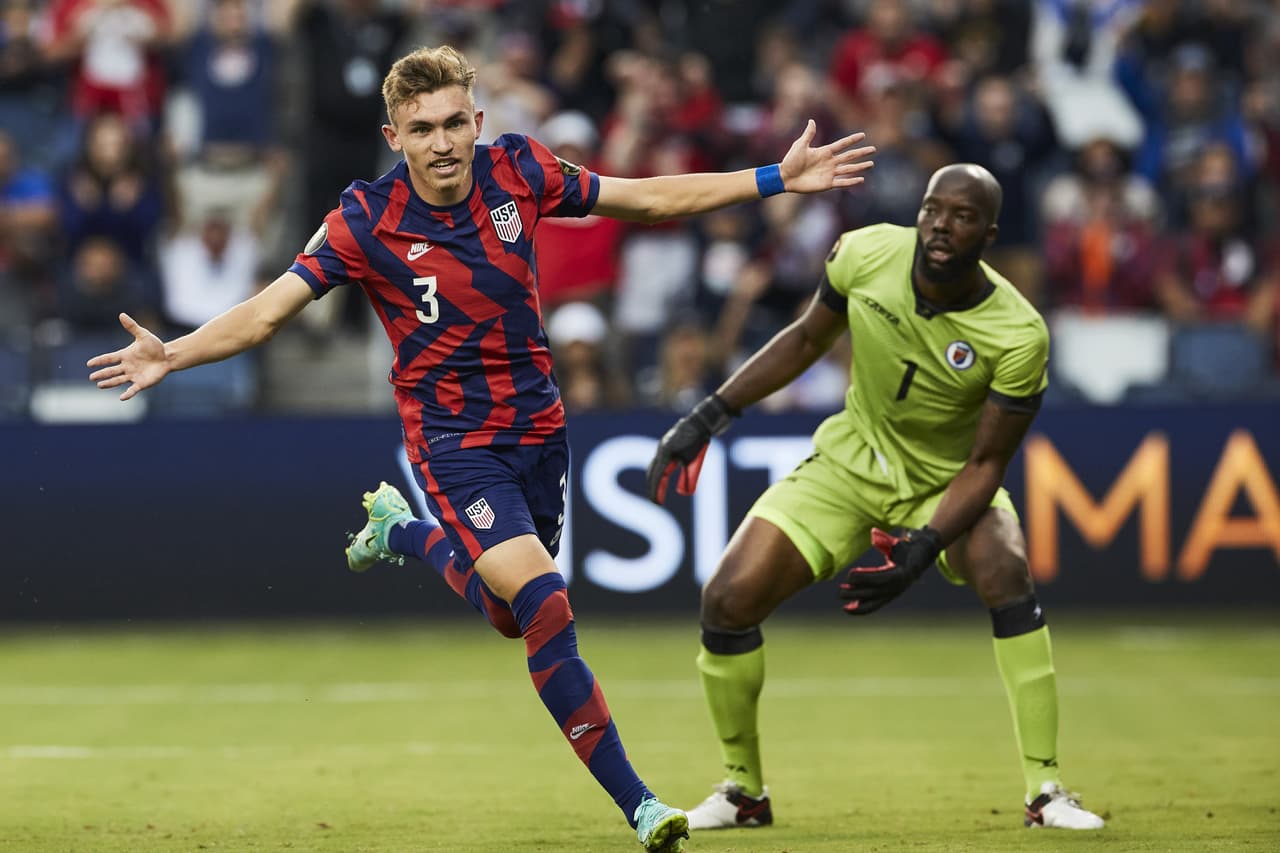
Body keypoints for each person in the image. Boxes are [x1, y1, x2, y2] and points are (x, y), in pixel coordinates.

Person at [86, 44, 875, 852]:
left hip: (540, 429)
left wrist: (774, 178)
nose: (442, 143)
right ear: (395, 136)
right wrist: (173, 352)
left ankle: (400, 532)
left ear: (479, 121)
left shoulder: (519, 173)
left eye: (455, 122)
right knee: (545, 605)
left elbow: (645, 199)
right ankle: (642, 805)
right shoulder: (364, 220)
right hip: (453, 441)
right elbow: (264, 313)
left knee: (508, 615)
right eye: (422, 128)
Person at [647, 163, 1105, 833]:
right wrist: (710, 413)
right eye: (933, 208)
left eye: (963, 215)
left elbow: (985, 461)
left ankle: (1046, 789)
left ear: (991, 233)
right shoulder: (864, 252)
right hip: (850, 464)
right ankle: (744, 792)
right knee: (727, 597)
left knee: (1007, 570)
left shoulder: (1019, 333)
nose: (942, 224)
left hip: (947, 482)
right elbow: (807, 338)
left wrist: (923, 547)